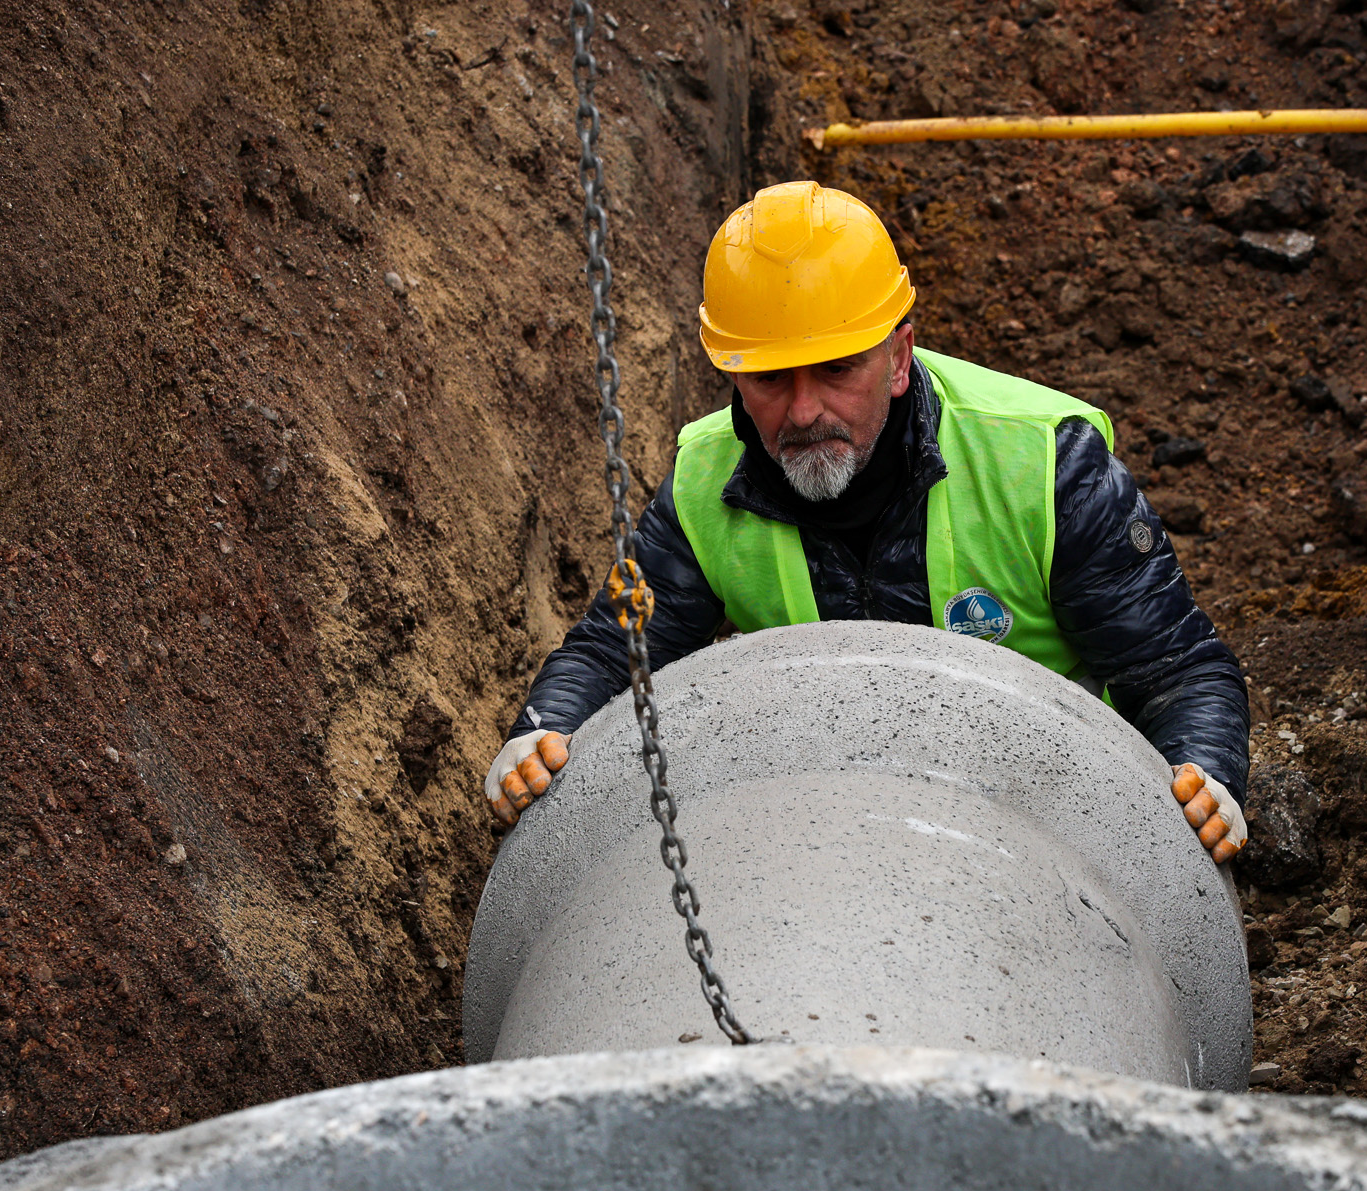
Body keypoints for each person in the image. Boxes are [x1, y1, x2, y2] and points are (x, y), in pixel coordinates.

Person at [487, 181, 1250, 860]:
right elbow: (610, 655)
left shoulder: (1044, 468)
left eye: (836, 368)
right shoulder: (702, 486)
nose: (805, 409)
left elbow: (1180, 672)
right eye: (771, 379)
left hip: (1045, 824)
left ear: (897, 357)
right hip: (831, 827)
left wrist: (1203, 773)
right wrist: (541, 729)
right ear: (733, 376)